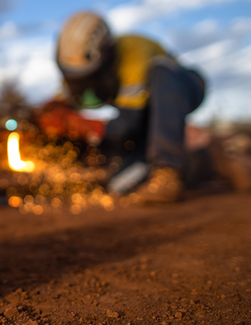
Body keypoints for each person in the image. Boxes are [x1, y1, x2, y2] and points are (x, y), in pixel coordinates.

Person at [37, 11, 206, 203]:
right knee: (120, 184)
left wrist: (83, 125)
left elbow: (128, 123)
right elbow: (71, 96)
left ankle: (168, 171)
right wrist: (51, 110)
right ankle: (205, 163)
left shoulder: (134, 53)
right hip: (147, 119)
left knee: (161, 70)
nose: (83, 82)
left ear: (106, 54)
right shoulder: (79, 68)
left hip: (184, 89)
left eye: (88, 76)